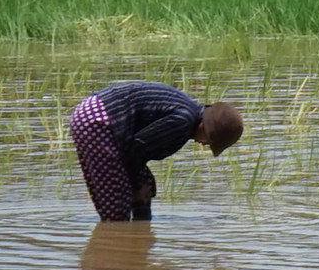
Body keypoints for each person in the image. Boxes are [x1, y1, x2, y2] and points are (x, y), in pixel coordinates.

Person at [67, 80, 240, 221]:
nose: (203, 144)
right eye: (209, 142)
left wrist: (143, 184)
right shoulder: (182, 122)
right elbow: (135, 149)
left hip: (96, 116)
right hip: (98, 122)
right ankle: (115, 249)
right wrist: (137, 184)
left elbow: (137, 151)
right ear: (205, 128)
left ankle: (139, 242)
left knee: (143, 190)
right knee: (117, 206)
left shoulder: (187, 112)